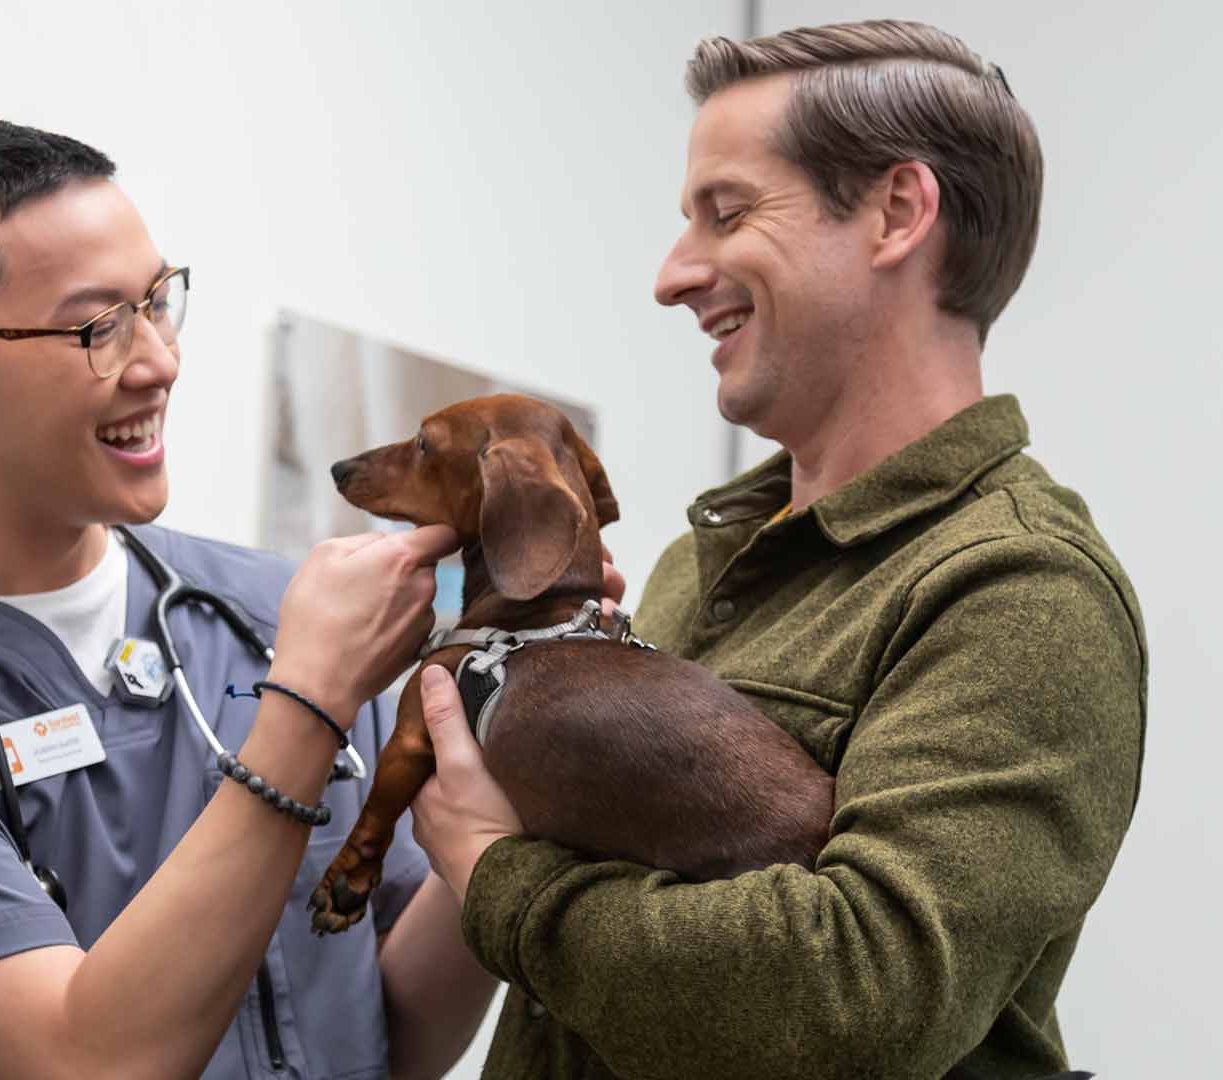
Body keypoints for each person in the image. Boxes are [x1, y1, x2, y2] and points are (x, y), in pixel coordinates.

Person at [408, 20, 1147, 1079]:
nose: (672, 276)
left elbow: (858, 994)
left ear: (897, 213)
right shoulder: (687, 567)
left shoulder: (1020, 589)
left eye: (729, 213)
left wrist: (498, 880)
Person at [0, 114, 494, 1080]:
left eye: (159, 301)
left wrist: (515, 801)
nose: (159, 362)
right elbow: (94, 1061)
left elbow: (388, 1036)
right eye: (98, 326)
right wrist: (307, 706)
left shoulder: (275, 611)